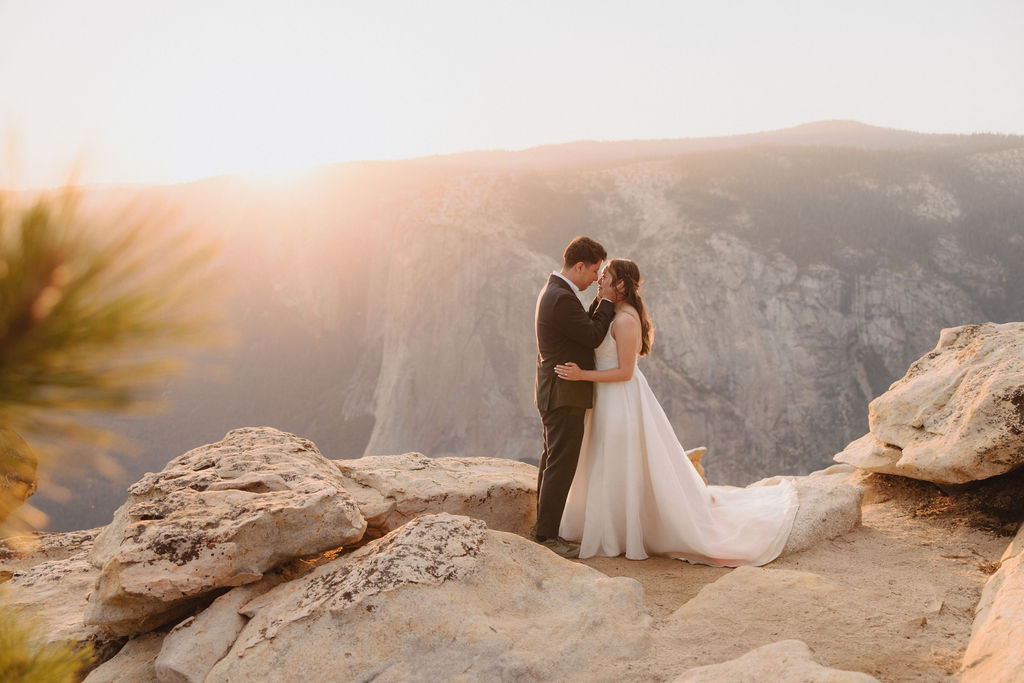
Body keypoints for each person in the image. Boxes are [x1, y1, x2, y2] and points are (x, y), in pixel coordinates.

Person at [555, 258, 798, 566]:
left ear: (621, 285)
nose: (599, 281)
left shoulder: (625, 320)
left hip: (620, 401)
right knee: (606, 461)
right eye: (600, 276)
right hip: (606, 399)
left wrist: (582, 376)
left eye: (605, 277)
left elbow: (625, 372)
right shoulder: (611, 312)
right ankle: (611, 526)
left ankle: (623, 530)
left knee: (617, 460)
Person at [533, 236, 616, 558]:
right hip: (564, 392)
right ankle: (547, 536)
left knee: (552, 459)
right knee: (561, 463)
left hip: (556, 391)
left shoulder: (557, 292)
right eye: (594, 271)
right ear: (579, 265)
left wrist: (597, 305)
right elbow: (593, 336)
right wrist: (607, 300)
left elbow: (581, 328)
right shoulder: (561, 297)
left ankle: (543, 528)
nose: (596, 278)